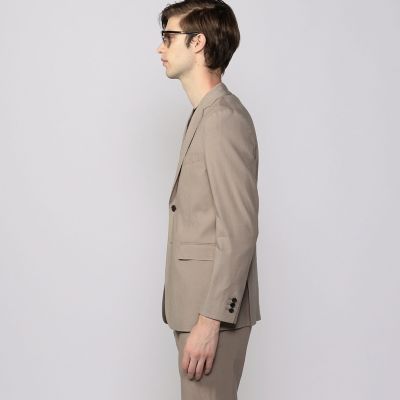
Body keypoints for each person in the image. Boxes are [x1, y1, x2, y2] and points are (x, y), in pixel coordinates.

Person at [156, 1, 261, 399]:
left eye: (169, 37)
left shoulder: (222, 118)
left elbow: (239, 229)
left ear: (197, 42)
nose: (160, 47)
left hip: (209, 313)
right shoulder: (205, 114)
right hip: (193, 308)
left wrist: (210, 320)